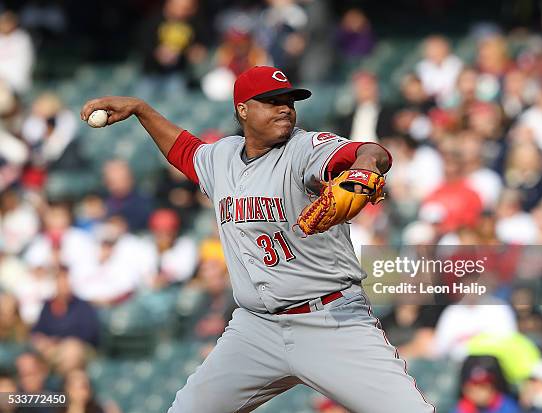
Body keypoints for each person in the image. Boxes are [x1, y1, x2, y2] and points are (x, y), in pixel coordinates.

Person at [81, 65, 434, 413]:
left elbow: (369, 152)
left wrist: (367, 166)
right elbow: (185, 152)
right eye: (271, 100)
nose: (285, 108)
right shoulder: (222, 156)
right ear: (243, 110)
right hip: (256, 328)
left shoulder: (305, 148)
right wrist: (143, 110)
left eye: (289, 101)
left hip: (331, 319)